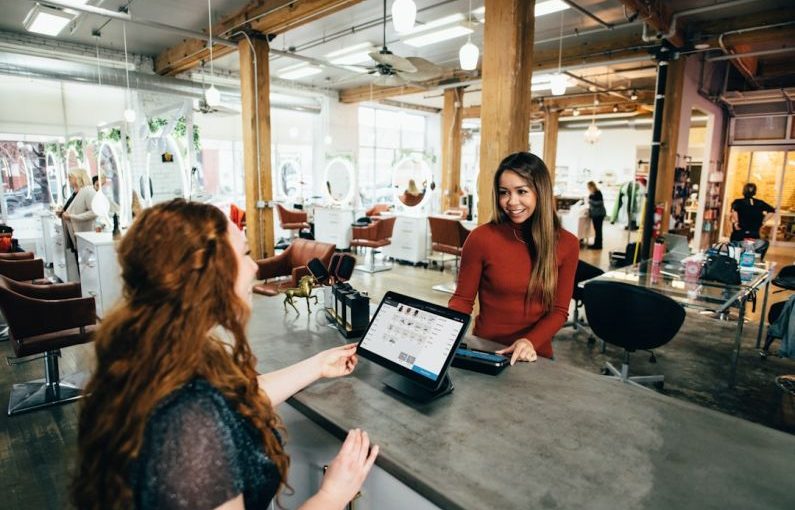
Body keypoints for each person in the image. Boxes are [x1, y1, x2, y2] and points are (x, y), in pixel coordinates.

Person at [72, 199, 378, 510]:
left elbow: (234, 400)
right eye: (245, 254)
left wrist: (317, 366)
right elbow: (207, 408)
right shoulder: (189, 424)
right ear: (206, 275)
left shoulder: (157, 352)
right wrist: (332, 495)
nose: (255, 266)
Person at [449, 152, 579, 365]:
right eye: (504, 193)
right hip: (485, 350)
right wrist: (445, 332)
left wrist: (529, 341)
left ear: (540, 192)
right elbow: (462, 301)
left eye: (521, 191)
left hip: (534, 355)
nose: (511, 202)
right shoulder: (481, 238)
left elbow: (559, 311)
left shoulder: (567, 244)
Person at [60, 168, 96, 254]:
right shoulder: (76, 192)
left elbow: (94, 212)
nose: (68, 180)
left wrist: (72, 217)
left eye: (70, 177)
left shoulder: (88, 191)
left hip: (84, 234)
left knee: (83, 263)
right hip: (74, 232)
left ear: (77, 178)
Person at [586, 181, 606, 249]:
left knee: (598, 230)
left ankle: (598, 245)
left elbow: (599, 203)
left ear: (592, 186)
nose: (588, 188)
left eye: (589, 187)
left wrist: (590, 201)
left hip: (599, 214)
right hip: (595, 215)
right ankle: (596, 244)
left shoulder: (598, 193)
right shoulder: (592, 194)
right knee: (597, 230)